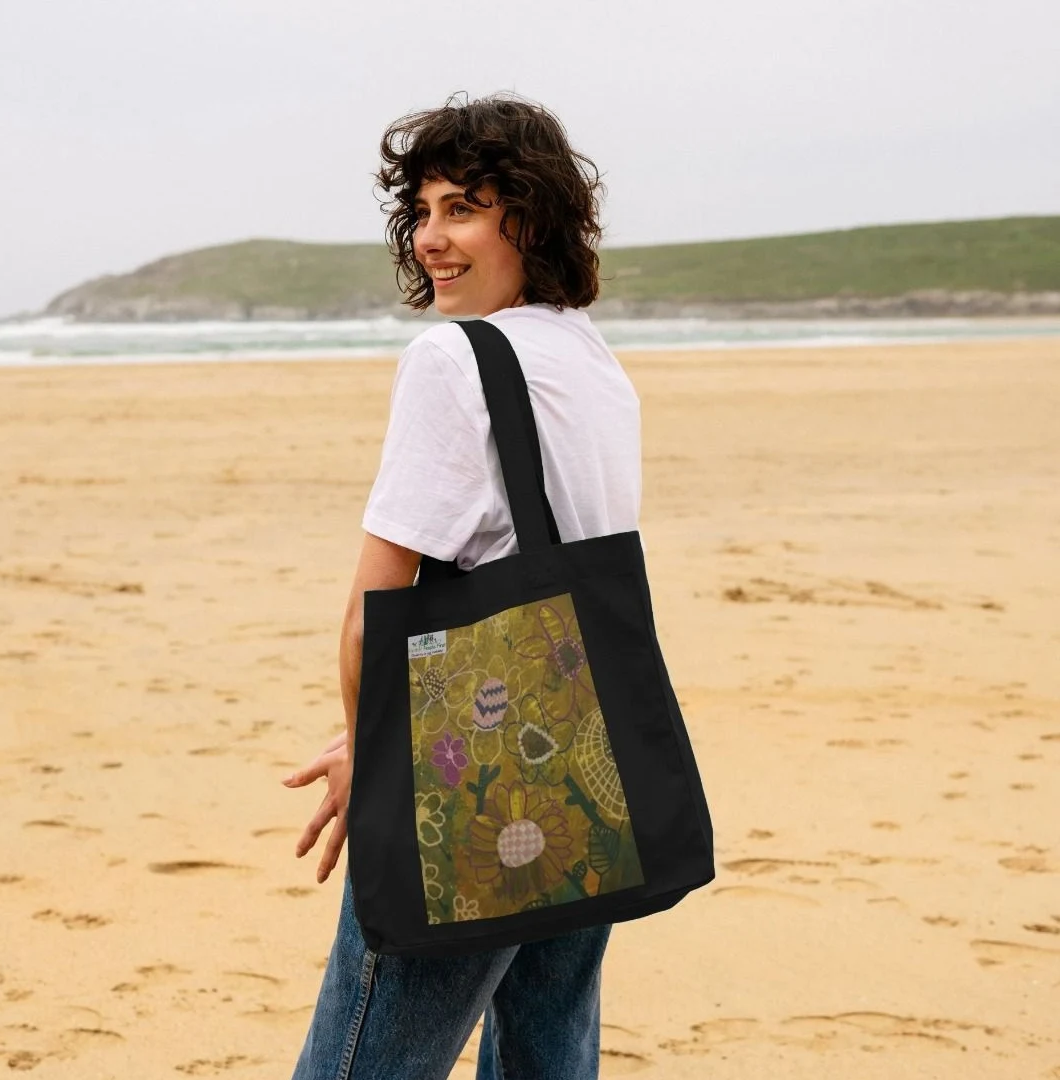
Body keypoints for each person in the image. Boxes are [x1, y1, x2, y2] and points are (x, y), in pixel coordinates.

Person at [283, 93, 643, 1080]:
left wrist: (373, 751)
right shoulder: (591, 357)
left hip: (472, 768)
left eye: (463, 210)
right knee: (546, 1056)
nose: (430, 239)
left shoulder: (453, 359)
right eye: (422, 212)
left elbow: (372, 614)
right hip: (591, 751)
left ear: (530, 218)